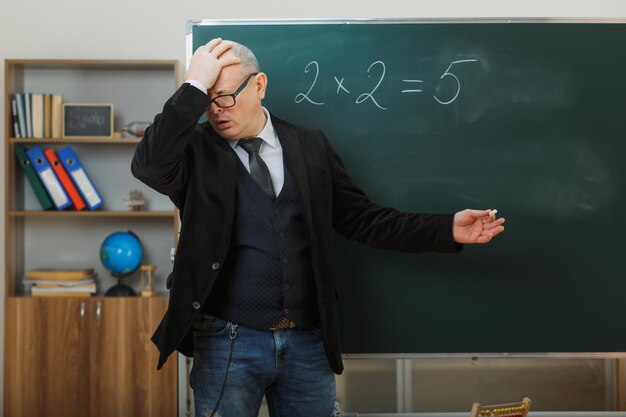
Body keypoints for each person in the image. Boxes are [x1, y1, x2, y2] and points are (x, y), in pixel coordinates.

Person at [131, 38, 505, 417]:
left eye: (225, 97)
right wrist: (194, 85)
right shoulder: (193, 150)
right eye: (207, 100)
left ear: (259, 85)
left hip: (307, 342)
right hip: (227, 340)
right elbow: (147, 166)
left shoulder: (309, 146)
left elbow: (362, 218)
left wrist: (445, 229)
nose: (216, 111)